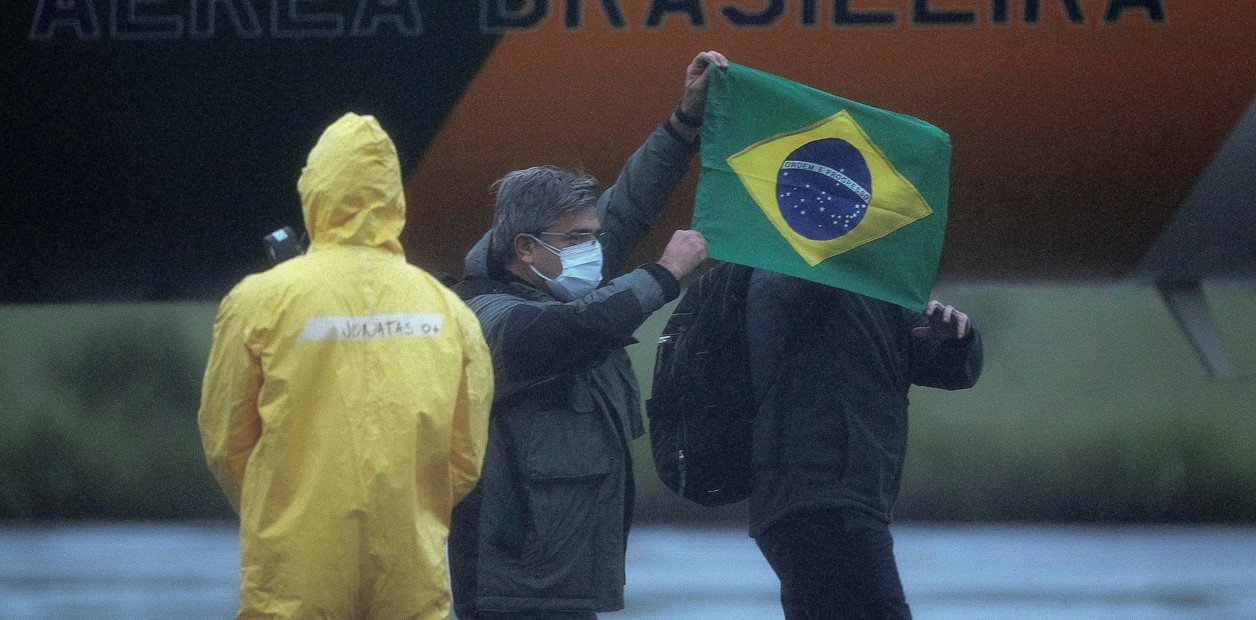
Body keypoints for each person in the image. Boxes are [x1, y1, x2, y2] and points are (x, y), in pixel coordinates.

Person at [447, 51, 727, 619]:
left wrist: (683, 124)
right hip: (514, 585)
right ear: (525, 247)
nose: (592, 249)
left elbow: (629, 205)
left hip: (565, 579)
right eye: (577, 238)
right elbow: (572, 333)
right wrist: (665, 274)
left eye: (593, 236)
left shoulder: (558, 282)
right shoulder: (486, 315)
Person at [198, 112, 493, 619]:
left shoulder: (258, 300)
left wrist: (280, 502)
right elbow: (465, 457)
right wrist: (411, 503)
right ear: (394, 197)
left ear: (315, 188)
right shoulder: (448, 310)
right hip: (411, 568)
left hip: (294, 571)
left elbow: (227, 443)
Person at [746, 271, 984, 619]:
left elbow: (950, 370)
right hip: (817, 501)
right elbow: (792, 310)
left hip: (852, 501)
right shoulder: (781, 276)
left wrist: (959, 339)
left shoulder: (879, 287)